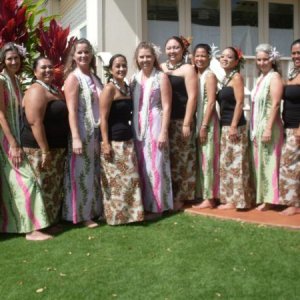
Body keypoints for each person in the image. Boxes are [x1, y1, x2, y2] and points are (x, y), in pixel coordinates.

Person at [0, 43, 52, 240]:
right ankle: (32, 230)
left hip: (16, 136)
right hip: (6, 138)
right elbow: (1, 114)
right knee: (26, 180)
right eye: (9, 59)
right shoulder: (1, 80)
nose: (14, 61)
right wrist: (12, 143)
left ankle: (12, 225)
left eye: (16, 58)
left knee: (14, 183)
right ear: (3, 61)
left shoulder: (15, 80)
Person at [21, 56, 69, 228]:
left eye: (50, 67)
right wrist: (45, 150)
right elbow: (35, 122)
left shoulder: (52, 89)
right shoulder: (36, 90)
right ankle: (36, 226)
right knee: (40, 188)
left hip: (56, 147)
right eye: (43, 68)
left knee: (52, 187)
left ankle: (50, 222)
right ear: (35, 72)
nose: (48, 70)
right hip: (38, 149)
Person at [99, 54, 144, 225]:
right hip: (113, 141)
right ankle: (115, 217)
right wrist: (105, 143)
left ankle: (131, 215)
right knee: (115, 182)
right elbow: (103, 118)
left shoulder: (127, 87)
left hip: (128, 140)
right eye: (117, 66)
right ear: (111, 69)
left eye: (124, 66)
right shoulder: (109, 89)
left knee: (130, 180)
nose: (121, 69)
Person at [63, 38, 102, 227]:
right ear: (74, 55)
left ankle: (94, 211)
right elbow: (71, 110)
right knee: (81, 173)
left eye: (86, 52)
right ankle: (80, 216)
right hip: (81, 132)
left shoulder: (95, 77)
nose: (83, 55)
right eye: (79, 52)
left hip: (95, 133)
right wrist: (76, 138)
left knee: (93, 173)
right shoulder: (73, 78)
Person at [132, 41, 173, 217]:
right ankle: (143, 204)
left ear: (154, 57)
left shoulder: (161, 77)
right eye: (141, 57)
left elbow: (167, 105)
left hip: (156, 123)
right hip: (137, 125)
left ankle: (158, 206)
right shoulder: (134, 78)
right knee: (141, 165)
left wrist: (164, 131)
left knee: (156, 164)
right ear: (137, 59)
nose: (145, 60)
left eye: (148, 56)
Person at [161, 36, 198, 210]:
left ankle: (182, 196)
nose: (172, 51)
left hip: (181, 120)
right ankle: (169, 193)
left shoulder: (188, 69)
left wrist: (186, 122)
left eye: (176, 47)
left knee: (183, 159)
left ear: (183, 50)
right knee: (169, 159)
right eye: (169, 48)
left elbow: (192, 97)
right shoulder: (161, 68)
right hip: (164, 121)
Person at [217, 47, 253, 210]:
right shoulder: (225, 78)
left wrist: (232, 126)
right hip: (225, 125)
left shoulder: (236, 77)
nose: (225, 59)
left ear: (236, 61)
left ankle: (238, 200)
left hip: (235, 126)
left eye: (229, 57)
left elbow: (239, 103)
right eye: (222, 56)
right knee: (228, 164)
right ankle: (231, 198)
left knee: (236, 165)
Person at [250, 44, 284, 211]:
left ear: (272, 60)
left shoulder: (274, 77)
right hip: (259, 124)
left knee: (270, 160)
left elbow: (276, 104)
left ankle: (271, 199)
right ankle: (263, 196)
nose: (262, 62)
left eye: (265, 59)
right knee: (261, 160)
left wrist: (269, 128)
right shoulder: (260, 78)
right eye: (259, 59)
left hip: (270, 124)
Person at [192, 44, 220, 209]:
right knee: (202, 158)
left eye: (203, 56)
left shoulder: (209, 75)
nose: (200, 59)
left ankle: (210, 198)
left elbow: (210, 102)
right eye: (197, 56)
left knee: (209, 159)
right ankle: (203, 193)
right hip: (199, 120)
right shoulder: (197, 74)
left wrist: (203, 126)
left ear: (209, 58)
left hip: (208, 122)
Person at [279, 39, 300, 215]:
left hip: (297, 127)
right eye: (293, 53)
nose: (296, 56)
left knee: (290, 164)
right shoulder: (294, 73)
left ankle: (293, 204)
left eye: (299, 53)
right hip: (289, 125)